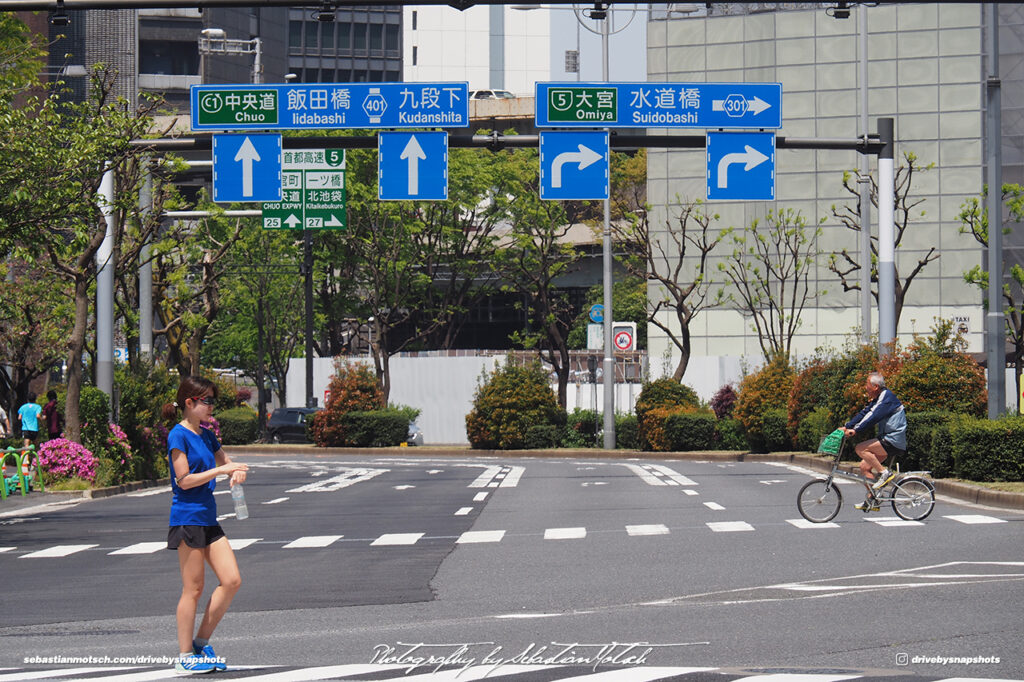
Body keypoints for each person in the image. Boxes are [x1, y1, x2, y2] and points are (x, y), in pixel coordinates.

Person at [161, 376, 248, 674]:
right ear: (190, 402)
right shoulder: (178, 435)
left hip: (208, 519)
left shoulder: (207, 434)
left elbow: (226, 463)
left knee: (232, 580)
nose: (212, 406)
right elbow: (183, 481)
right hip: (187, 519)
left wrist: (234, 473)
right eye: (207, 400)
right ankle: (185, 656)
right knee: (193, 589)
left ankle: (201, 643)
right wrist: (222, 469)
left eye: (213, 400)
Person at [843, 372, 907, 511]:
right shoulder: (879, 398)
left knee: (860, 448)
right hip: (886, 437)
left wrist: (856, 430)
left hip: (893, 439)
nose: (865, 387)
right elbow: (865, 412)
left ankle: (885, 473)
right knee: (864, 468)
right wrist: (847, 426)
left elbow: (873, 416)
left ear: (875, 386)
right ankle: (873, 499)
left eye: (867, 384)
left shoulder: (886, 398)